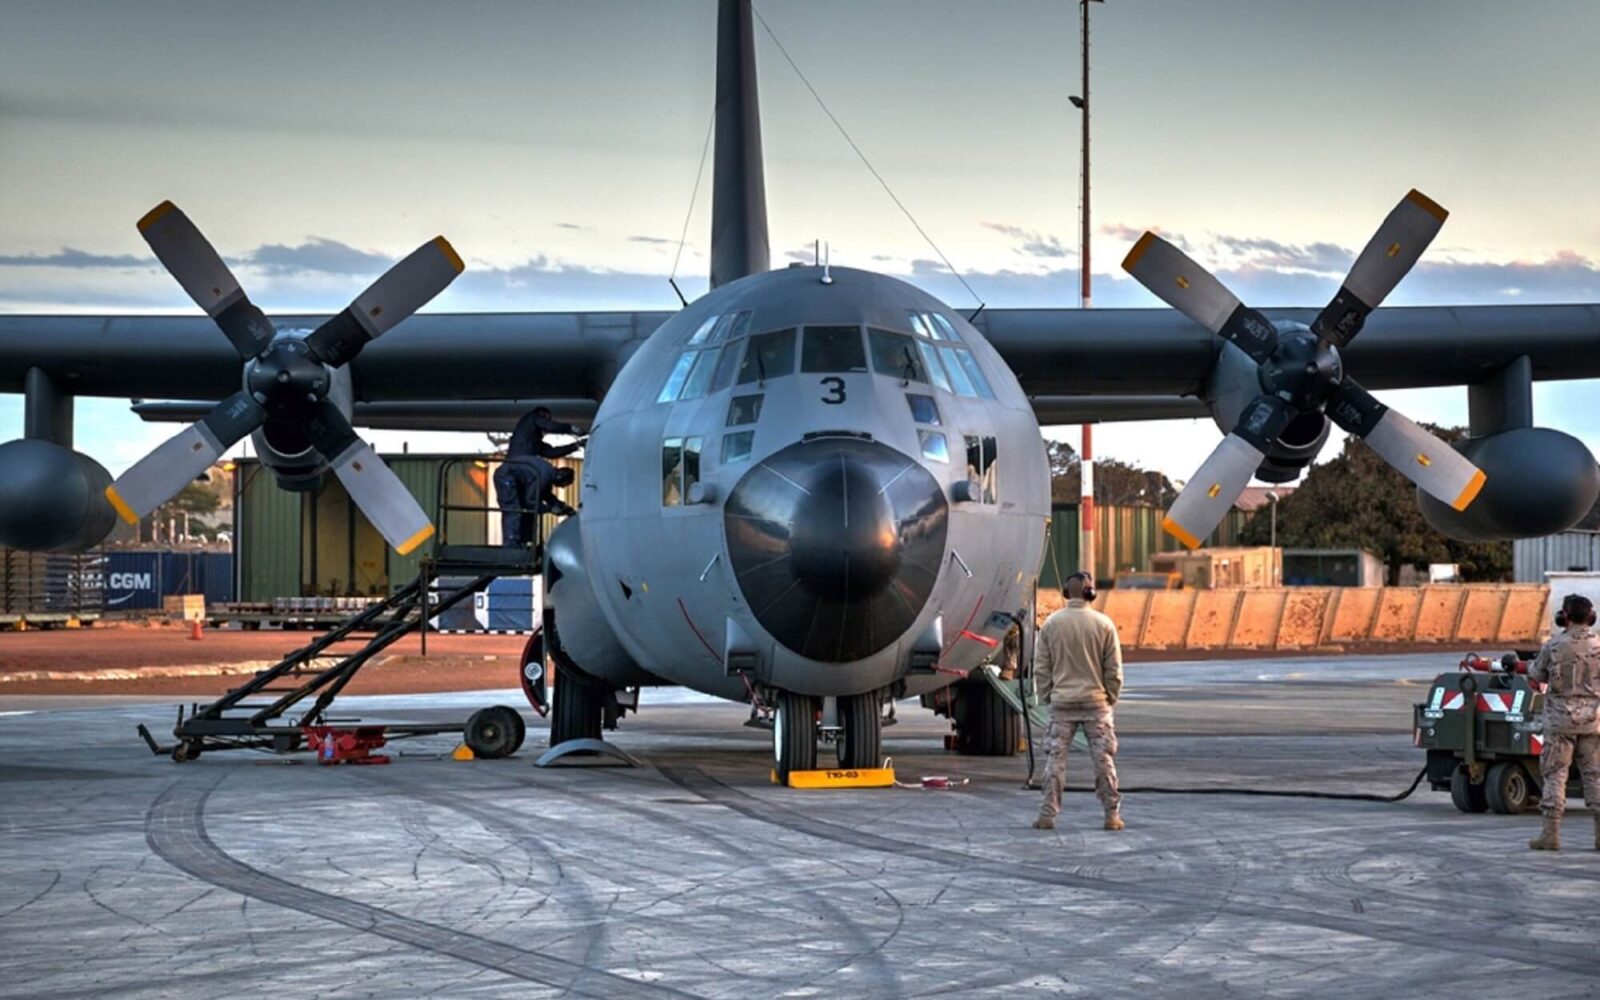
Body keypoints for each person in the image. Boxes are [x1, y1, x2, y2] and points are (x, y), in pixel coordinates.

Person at [1032, 571, 1124, 831]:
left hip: (1062, 704)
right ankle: (1111, 815)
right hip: (1096, 703)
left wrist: (1048, 695)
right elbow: (1113, 670)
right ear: (1089, 592)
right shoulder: (1103, 624)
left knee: (1055, 760)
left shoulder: (1051, 624)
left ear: (1066, 592)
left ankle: (1047, 814)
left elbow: (1041, 667)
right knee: (1103, 761)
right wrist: (1110, 697)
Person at [1526, 593, 1600, 851]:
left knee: (1555, 775)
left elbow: (1535, 678)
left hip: (1559, 722)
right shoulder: (1599, 645)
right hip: (1592, 721)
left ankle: (1551, 834)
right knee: (1594, 776)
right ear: (1590, 617)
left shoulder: (1553, 646)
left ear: (1564, 617)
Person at [494, 406, 583, 547]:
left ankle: (524, 543)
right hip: (509, 475)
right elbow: (532, 501)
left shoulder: (536, 449)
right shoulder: (532, 418)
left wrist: (562, 507)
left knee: (525, 511)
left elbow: (545, 493)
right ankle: (511, 547)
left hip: (519, 476)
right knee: (514, 510)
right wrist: (571, 429)